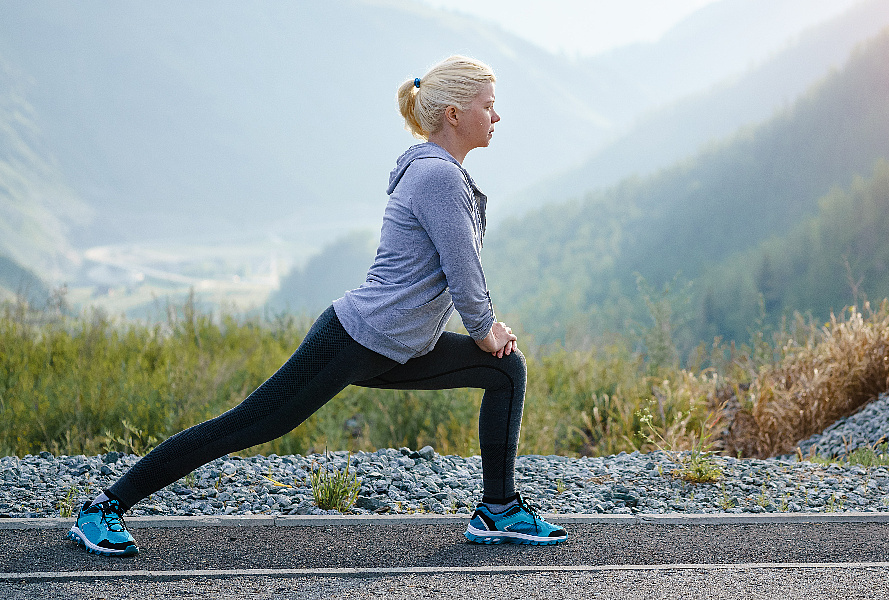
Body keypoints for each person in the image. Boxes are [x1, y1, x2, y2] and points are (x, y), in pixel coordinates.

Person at [68, 55, 567, 557]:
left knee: (505, 372)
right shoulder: (437, 176)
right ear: (455, 114)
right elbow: (463, 272)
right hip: (355, 339)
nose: (496, 117)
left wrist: (488, 337)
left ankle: (498, 511)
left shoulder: (438, 173)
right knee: (249, 423)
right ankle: (103, 509)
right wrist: (486, 330)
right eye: (489, 106)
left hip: (402, 344)